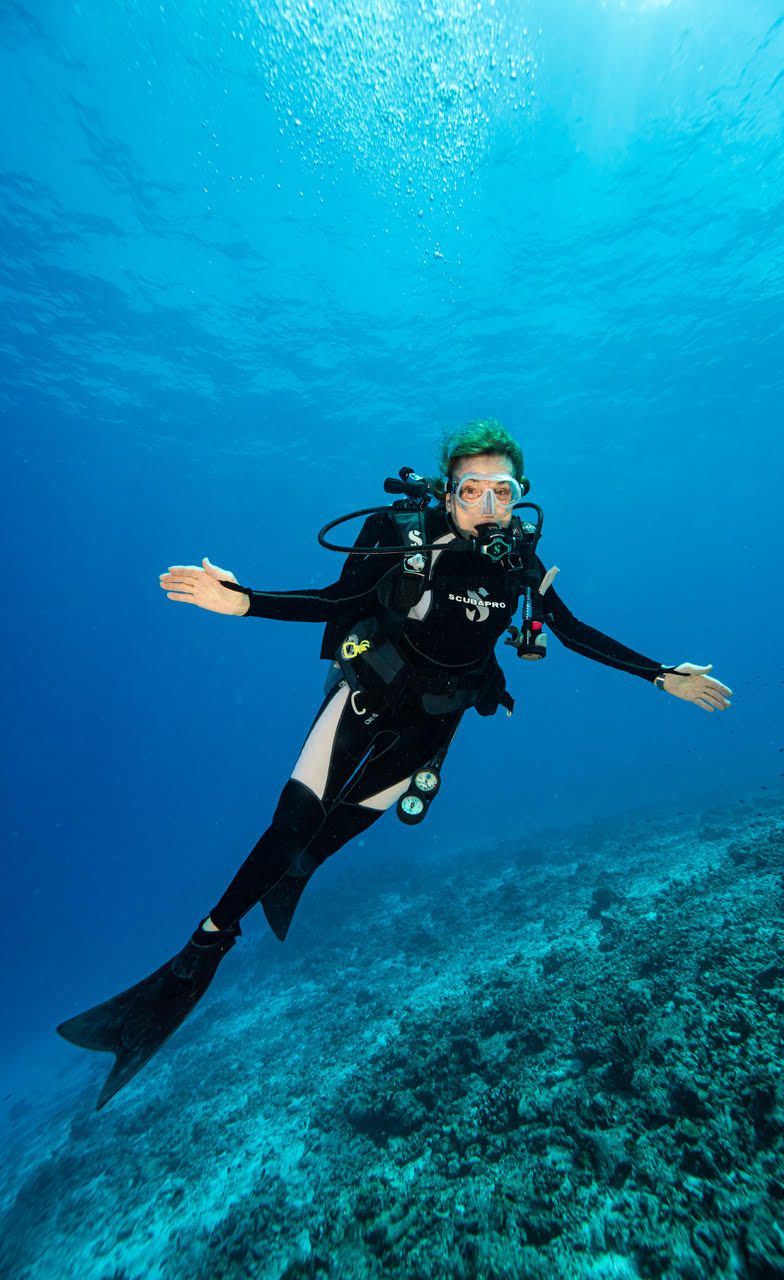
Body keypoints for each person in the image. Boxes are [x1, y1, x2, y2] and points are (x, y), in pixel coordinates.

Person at [57, 420, 732, 1109]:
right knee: (294, 817)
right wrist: (243, 602)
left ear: (520, 495)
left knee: (346, 828)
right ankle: (197, 956)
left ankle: (291, 879)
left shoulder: (519, 562)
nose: (489, 506)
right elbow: (337, 600)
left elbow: (569, 628)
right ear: (447, 491)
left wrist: (658, 674)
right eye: (472, 489)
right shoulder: (404, 537)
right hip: (367, 691)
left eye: (505, 490)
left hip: (434, 719)